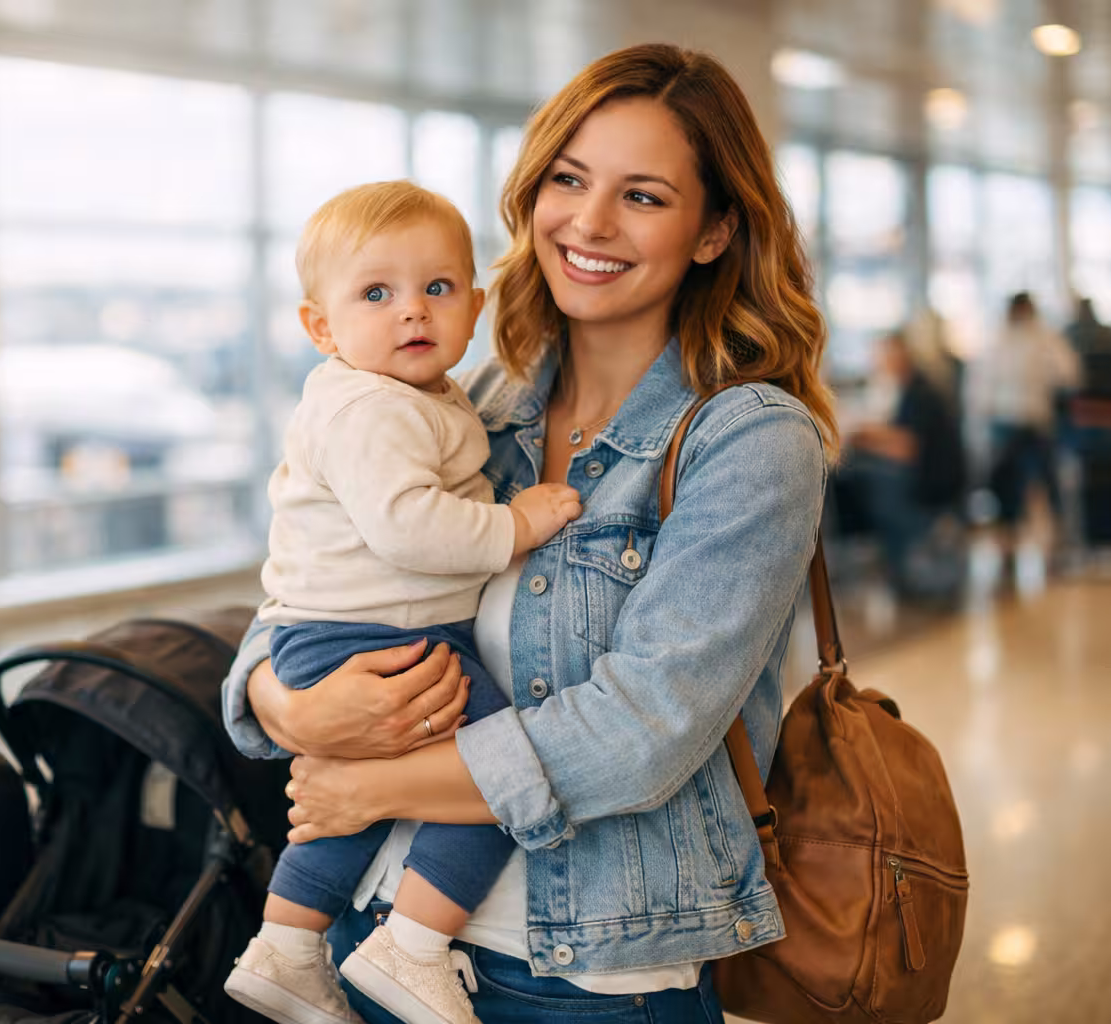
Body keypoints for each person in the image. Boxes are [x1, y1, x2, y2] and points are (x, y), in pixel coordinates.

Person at [223, 42, 836, 1024]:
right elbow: (318, 583)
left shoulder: (748, 439)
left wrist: (367, 786)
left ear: (716, 230)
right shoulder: (476, 403)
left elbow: (642, 732)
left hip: (587, 976)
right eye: (569, 179)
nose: (589, 223)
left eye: (642, 196)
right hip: (374, 939)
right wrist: (283, 705)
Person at [223, 180, 584, 1024]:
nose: (412, 312)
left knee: (358, 800)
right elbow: (410, 531)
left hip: (340, 634)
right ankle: (412, 948)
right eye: (376, 294)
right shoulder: (369, 408)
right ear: (321, 327)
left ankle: (284, 945)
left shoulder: (422, 396)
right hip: (373, 636)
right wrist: (515, 523)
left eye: (438, 289)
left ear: (476, 305)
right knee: (500, 775)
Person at [830, 330, 965, 602]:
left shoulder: (920, 394)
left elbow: (907, 448)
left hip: (929, 484)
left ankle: (881, 563)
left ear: (898, 356)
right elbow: (899, 434)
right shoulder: (910, 389)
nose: (877, 364)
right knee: (855, 472)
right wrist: (868, 434)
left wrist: (864, 439)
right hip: (925, 474)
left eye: (881, 357)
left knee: (853, 477)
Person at [971, 292, 1079, 578]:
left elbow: (1069, 374)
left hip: (1032, 424)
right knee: (1010, 490)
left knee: (1044, 486)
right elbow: (981, 390)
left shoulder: (1044, 339)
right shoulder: (1000, 341)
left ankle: (1052, 548)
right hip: (1008, 424)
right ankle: (1010, 548)